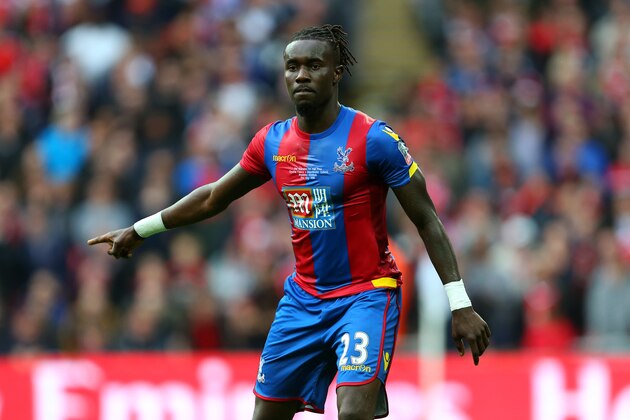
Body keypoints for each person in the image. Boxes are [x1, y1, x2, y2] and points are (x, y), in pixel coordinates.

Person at [88, 24, 491, 420]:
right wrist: (141, 229)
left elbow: (427, 220)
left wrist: (461, 304)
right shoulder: (273, 142)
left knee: (352, 412)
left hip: (365, 295)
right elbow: (213, 197)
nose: (301, 74)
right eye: (292, 66)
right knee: (265, 414)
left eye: (313, 65)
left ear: (336, 73)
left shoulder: (374, 139)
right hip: (302, 300)